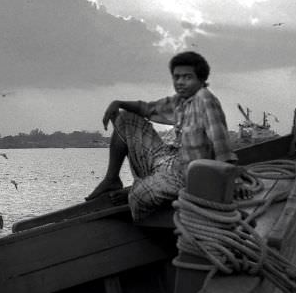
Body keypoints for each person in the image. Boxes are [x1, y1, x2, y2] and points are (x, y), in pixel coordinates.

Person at [86, 51, 237, 220]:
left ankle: (141, 189)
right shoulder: (181, 100)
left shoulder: (205, 100)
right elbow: (148, 108)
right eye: (177, 77)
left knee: (137, 197)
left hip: (188, 175)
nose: (180, 82)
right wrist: (118, 103)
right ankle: (112, 179)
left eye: (187, 77)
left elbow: (221, 146)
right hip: (170, 160)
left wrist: (233, 182)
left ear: (201, 80)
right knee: (125, 120)